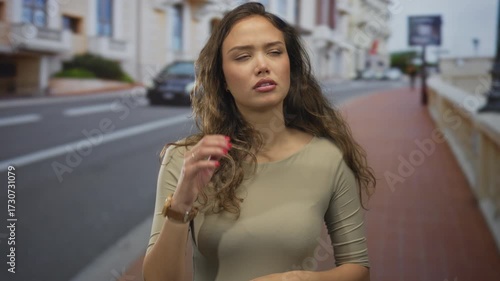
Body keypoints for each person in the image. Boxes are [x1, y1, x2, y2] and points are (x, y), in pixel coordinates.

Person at [142, 2, 376, 281]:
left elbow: (358, 269)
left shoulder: (329, 157)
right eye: (242, 57)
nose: (263, 65)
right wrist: (180, 205)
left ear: (291, 65)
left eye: (275, 52)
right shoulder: (187, 160)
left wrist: (297, 279)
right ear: (223, 79)